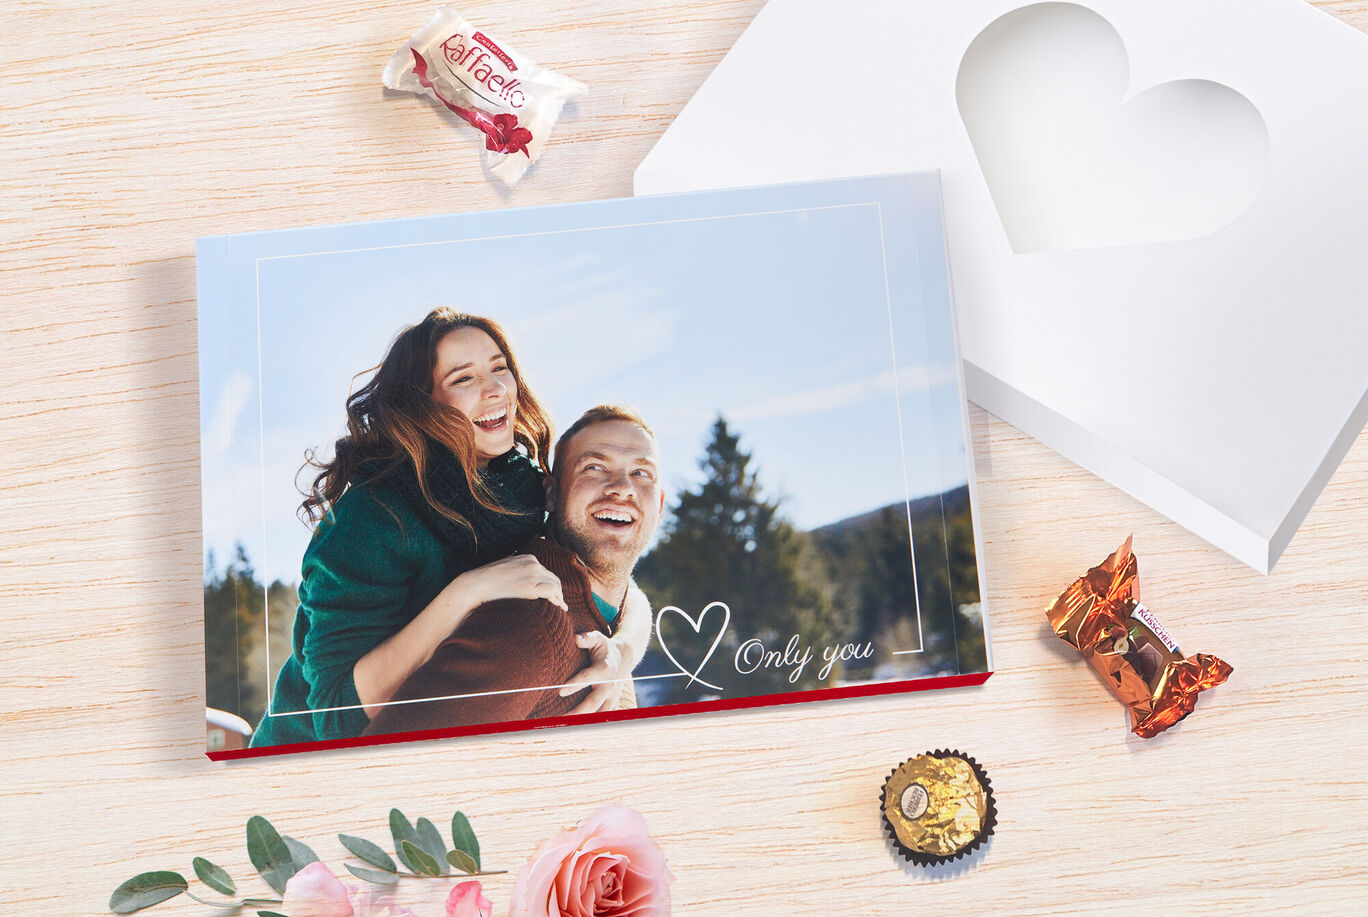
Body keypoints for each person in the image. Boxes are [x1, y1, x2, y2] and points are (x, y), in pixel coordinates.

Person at [250, 313, 650, 747]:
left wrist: (624, 651)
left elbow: (610, 580)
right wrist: (466, 593)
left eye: (500, 368)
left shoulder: (521, 490)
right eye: (463, 378)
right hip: (299, 753)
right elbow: (337, 716)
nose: (495, 389)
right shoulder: (371, 516)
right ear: (423, 403)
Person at [363, 405, 664, 735]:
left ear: (660, 506)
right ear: (552, 494)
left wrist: (625, 647)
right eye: (594, 467)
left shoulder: (611, 627)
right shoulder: (533, 622)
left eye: (641, 473)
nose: (622, 487)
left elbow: (631, 594)